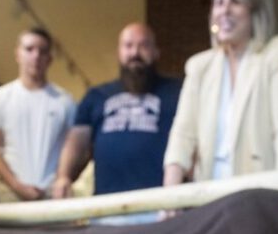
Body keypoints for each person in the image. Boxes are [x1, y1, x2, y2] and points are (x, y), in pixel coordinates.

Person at [163, 0, 278, 186]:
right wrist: (168, 198)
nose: (224, 11)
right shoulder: (199, 66)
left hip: (261, 195)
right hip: (208, 198)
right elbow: (183, 134)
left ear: (256, 9)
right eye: (219, 2)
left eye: (235, 1)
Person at [52, 23, 181, 204]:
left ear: (156, 52)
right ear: (119, 53)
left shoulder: (177, 92)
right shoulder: (96, 96)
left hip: (161, 205)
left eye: (143, 45)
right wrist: (63, 176)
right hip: (107, 207)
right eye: (128, 46)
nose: (135, 53)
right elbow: (76, 141)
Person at [0, 28, 75, 202]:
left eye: (42, 51)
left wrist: (62, 178)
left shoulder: (65, 101)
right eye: (29, 49)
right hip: (8, 193)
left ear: (50, 59)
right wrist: (17, 185)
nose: (36, 56)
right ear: (18, 54)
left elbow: (71, 147)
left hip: (52, 194)